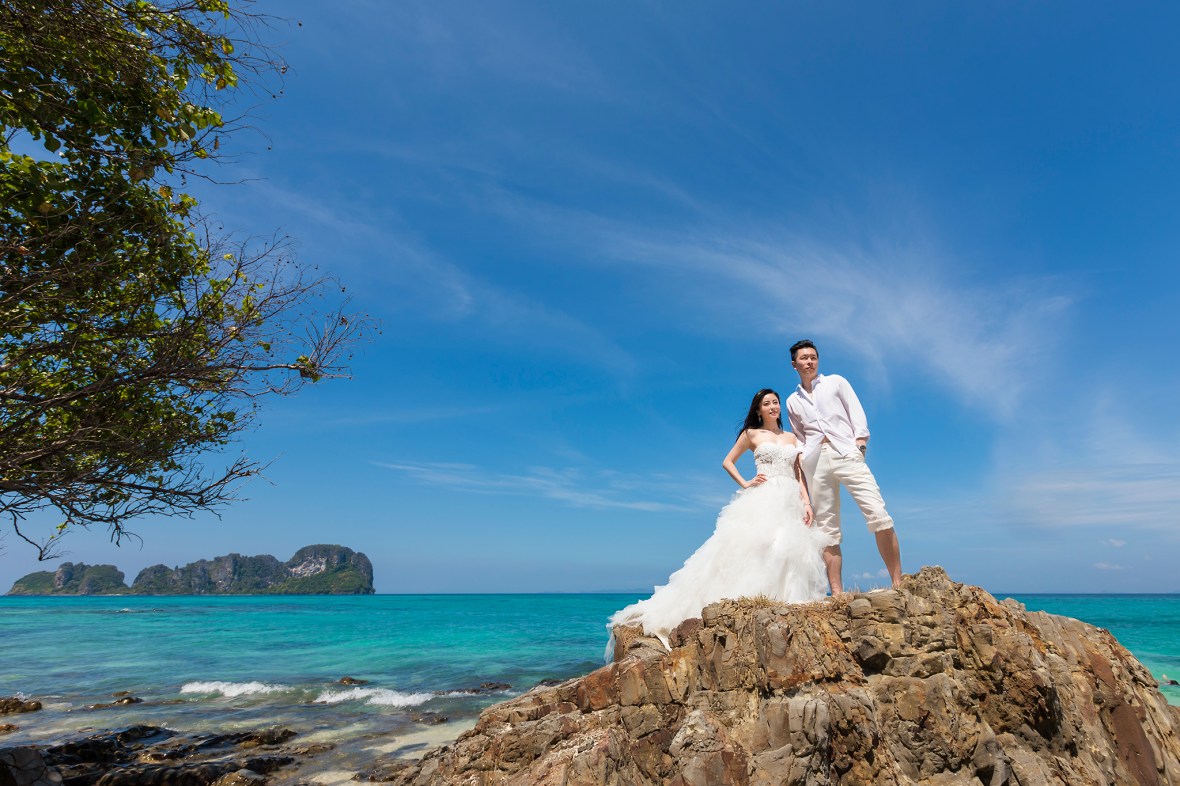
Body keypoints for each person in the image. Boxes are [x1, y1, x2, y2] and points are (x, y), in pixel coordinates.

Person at [608, 389, 828, 649]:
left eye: (775, 403)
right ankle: (759, 601)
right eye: (766, 404)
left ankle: (788, 601)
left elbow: (798, 472)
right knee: (764, 546)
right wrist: (746, 482)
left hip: (790, 497)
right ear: (758, 410)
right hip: (765, 496)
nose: (772, 407)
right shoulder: (751, 434)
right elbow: (728, 461)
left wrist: (806, 502)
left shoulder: (791, 437)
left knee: (790, 548)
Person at [785, 339, 902, 594]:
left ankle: (897, 583)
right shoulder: (792, 400)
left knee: (878, 514)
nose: (809, 361)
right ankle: (837, 592)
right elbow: (799, 435)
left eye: (813, 357)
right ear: (794, 364)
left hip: (846, 453)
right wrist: (804, 457)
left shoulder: (836, 382)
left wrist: (860, 445)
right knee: (827, 529)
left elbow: (856, 413)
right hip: (815, 462)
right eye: (803, 358)